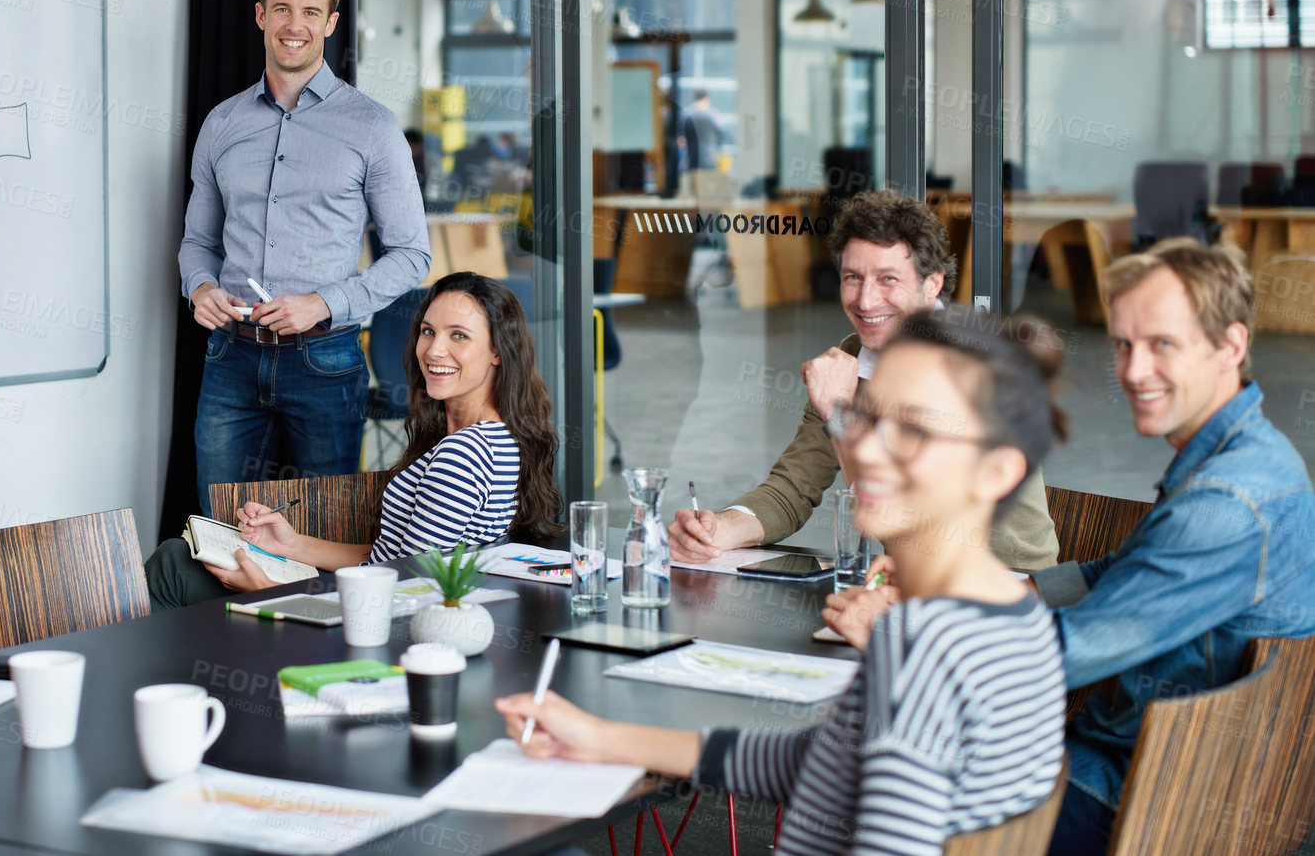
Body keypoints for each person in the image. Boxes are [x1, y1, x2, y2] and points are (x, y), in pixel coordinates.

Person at [500, 309, 1068, 856]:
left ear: (999, 470)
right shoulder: (1007, 624)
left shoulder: (925, 651)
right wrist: (602, 738)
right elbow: (818, 761)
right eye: (863, 416)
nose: (866, 449)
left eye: (914, 430)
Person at [826, 240, 1315, 856]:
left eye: (1162, 344)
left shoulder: (1225, 502)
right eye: (1124, 344)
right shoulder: (1246, 457)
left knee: (874, 786)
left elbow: (1059, 658)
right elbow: (1119, 571)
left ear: (1231, 347)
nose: (1134, 371)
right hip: (1173, 765)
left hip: (1145, 791)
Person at [670, 188, 1059, 570]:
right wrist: (718, 530)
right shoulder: (854, 357)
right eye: (853, 277)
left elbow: (908, 518)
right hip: (911, 584)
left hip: (1004, 587)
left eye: (888, 279)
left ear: (933, 284)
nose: (865, 300)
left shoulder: (969, 364)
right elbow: (793, 488)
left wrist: (838, 414)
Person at [179, 0, 431, 512]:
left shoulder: (372, 126)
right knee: (221, 533)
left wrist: (324, 302)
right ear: (261, 16)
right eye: (283, 9)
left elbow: (413, 255)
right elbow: (198, 242)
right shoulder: (222, 123)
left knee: (326, 534)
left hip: (325, 361)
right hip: (229, 359)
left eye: (311, 13)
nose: (296, 25)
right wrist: (199, 287)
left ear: (330, 23)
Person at [145, 272, 558, 609]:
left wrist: (269, 593)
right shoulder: (489, 437)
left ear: (497, 352)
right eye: (429, 331)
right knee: (178, 556)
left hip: (368, 625)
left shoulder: (462, 455)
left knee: (172, 564)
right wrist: (291, 544)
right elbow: (396, 563)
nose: (434, 350)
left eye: (459, 336)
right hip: (368, 598)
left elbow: (403, 596)